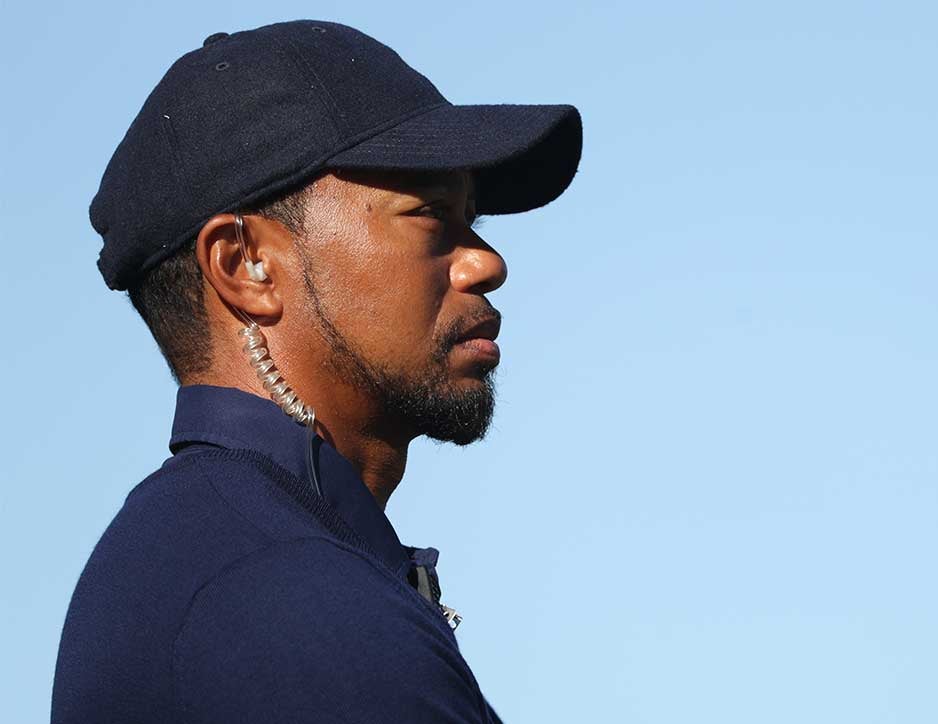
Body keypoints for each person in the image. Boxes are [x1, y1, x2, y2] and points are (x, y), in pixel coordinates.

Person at [51, 19, 581, 723]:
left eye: (473, 217)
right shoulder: (292, 605)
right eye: (429, 214)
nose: (486, 261)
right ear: (247, 265)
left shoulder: (204, 553)